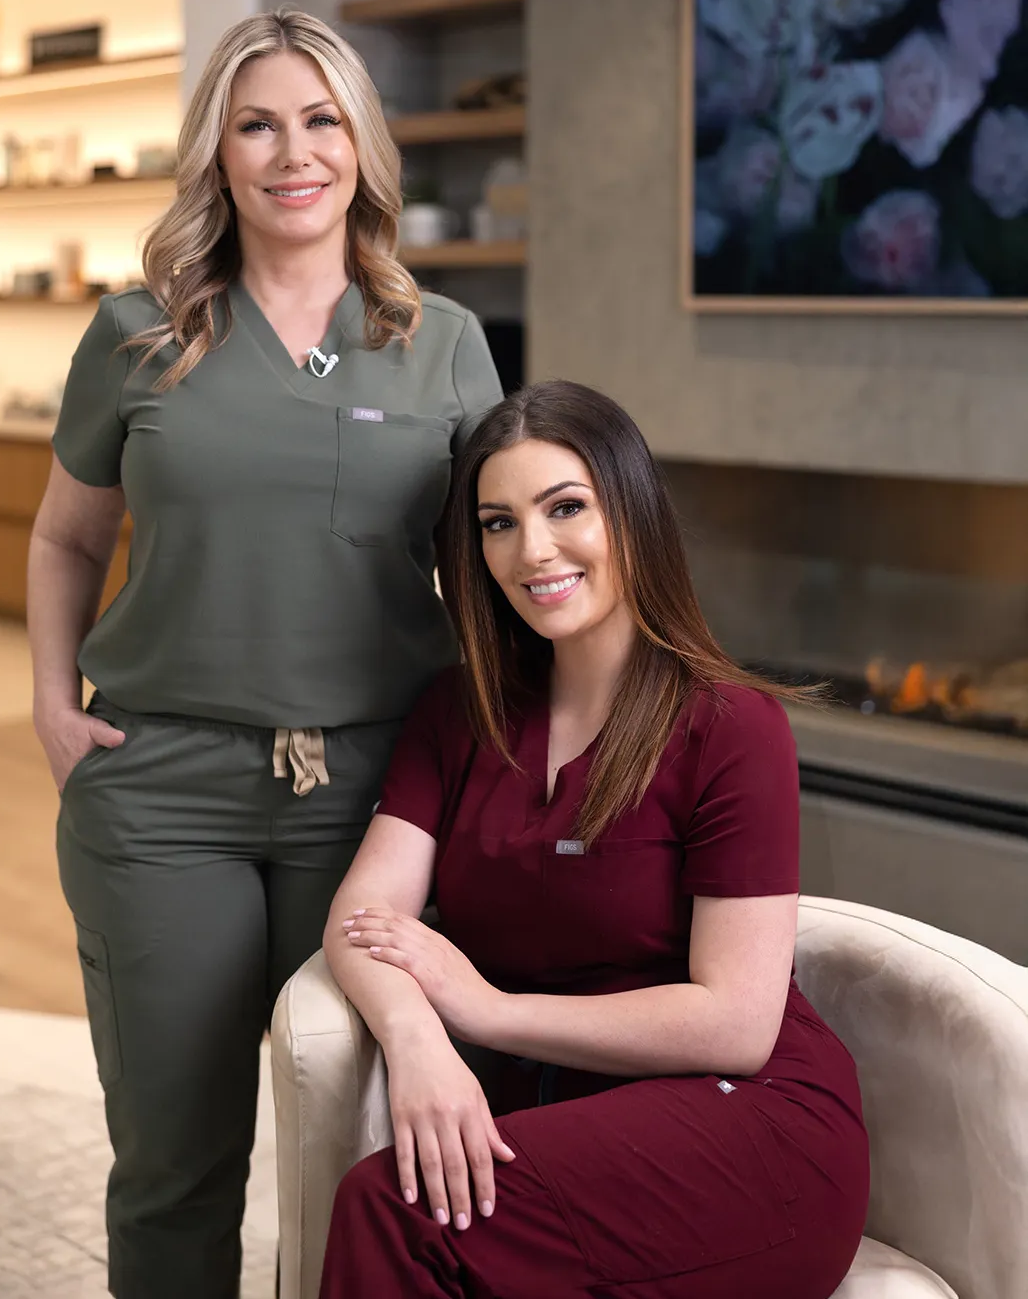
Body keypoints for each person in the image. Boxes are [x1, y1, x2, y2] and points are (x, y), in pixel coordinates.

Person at [27, 7, 502, 1299]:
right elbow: (69, 537)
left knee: (351, 1155)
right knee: (176, 1159)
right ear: (219, 154)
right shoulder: (139, 328)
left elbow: (488, 569)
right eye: (257, 123)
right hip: (162, 786)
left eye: (322, 118)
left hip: (375, 798)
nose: (293, 152)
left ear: (362, 144)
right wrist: (51, 707)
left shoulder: (442, 339)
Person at [317, 381, 870, 1299]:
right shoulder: (460, 711)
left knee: (395, 1208)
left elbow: (737, 1023)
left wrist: (487, 1010)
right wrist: (417, 1037)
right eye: (498, 522)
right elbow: (364, 917)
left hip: (755, 1130)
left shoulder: (733, 725)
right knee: (415, 1199)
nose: (532, 550)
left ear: (632, 514)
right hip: (574, 1119)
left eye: (565, 507)